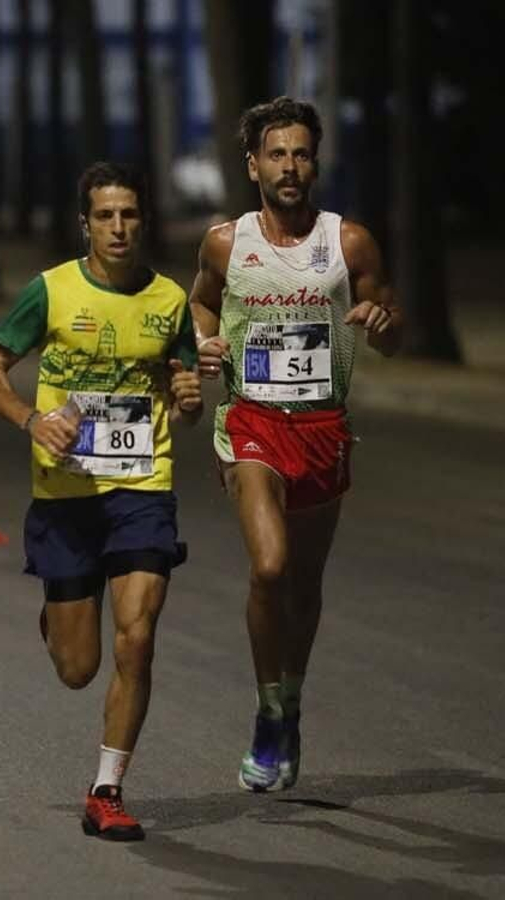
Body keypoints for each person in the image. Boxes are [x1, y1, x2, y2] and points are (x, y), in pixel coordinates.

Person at [0, 162, 202, 841]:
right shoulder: (50, 292)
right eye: (106, 216)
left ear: (144, 221)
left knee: (139, 636)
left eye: (129, 215)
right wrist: (30, 419)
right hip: (66, 492)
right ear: (86, 224)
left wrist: (189, 400)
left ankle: (107, 788)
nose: (120, 227)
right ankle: (58, 614)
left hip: (141, 489)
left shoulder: (168, 300)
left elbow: (183, 384)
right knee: (78, 669)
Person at [188, 97, 402, 792]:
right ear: (253, 165)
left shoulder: (350, 243)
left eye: (301, 153)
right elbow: (200, 300)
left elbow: (393, 329)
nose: (290, 166)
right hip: (250, 424)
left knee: (305, 585)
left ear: (316, 162)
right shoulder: (226, 242)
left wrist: (379, 321)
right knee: (271, 567)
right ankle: (267, 711)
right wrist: (203, 340)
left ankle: (293, 701)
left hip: (322, 428)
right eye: (276, 154)